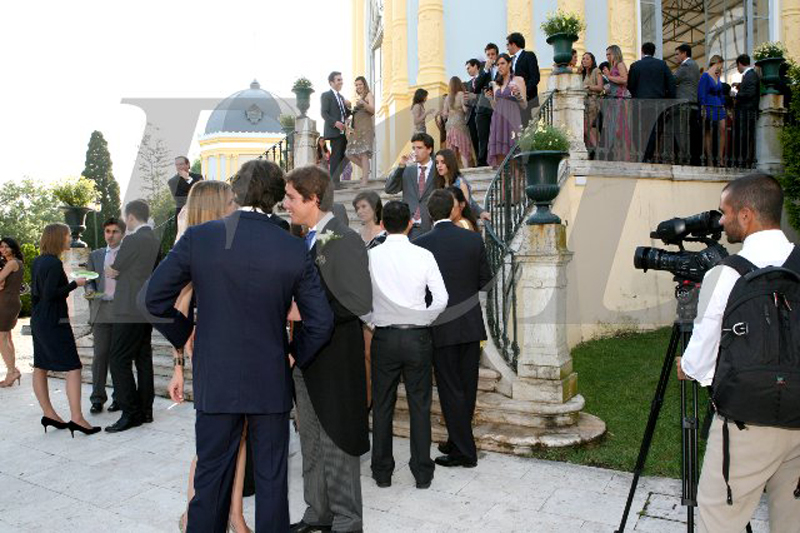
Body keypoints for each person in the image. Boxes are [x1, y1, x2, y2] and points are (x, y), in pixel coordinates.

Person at [677, 173, 800, 533]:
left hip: (746, 424)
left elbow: (700, 361)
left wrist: (686, 366)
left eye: (725, 212)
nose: (721, 221)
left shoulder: (725, 275)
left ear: (746, 215)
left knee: (720, 520)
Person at [283, 165, 372, 533]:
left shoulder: (344, 239)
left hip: (335, 357)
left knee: (337, 439)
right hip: (305, 357)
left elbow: (358, 301)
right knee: (310, 440)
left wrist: (307, 311)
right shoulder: (304, 240)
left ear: (313, 198)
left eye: (291, 197)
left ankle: (347, 521)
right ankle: (317, 512)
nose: (285, 204)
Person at [168, 179, 253, 533]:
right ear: (216, 207)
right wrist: (178, 366)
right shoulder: (193, 249)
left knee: (240, 436)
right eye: (231, 202)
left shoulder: (225, 244)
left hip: (236, 352)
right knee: (212, 445)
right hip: (213, 356)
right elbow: (177, 309)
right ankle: (195, 515)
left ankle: (235, 515)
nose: (236, 207)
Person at [367, 200, 448, 490]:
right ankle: (422, 473)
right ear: (410, 224)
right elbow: (442, 299)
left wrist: (373, 321)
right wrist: (422, 319)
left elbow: (358, 298)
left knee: (382, 406)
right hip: (417, 337)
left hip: (385, 336)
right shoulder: (423, 255)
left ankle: (382, 472)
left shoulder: (371, 255)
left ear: (382, 224)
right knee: (420, 405)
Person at [415, 190, 492, 468]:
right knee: (467, 388)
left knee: (450, 389)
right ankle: (457, 440)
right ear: (452, 209)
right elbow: (486, 282)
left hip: (441, 326)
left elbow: (419, 289)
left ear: (429, 213)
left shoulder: (420, 244)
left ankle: (465, 452)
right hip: (470, 324)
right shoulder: (473, 239)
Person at [30, 224, 99, 436]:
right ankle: (77, 418)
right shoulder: (53, 263)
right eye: (68, 236)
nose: (70, 239)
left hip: (39, 319)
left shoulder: (38, 261)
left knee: (40, 365)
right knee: (73, 367)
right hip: (54, 321)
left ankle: (49, 413)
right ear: (58, 238)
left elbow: (38, 294)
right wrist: (75, 284)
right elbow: (51, 294)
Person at [105, 200, 160, 433]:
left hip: (127, 307)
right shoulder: (155, 240)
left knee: (118, 359)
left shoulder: (132, 240)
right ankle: (146, 410)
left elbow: (115, 269)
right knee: (143, 357)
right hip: (145, 306)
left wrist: (113, 271)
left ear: (130, 217)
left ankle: (130, 412)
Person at [85, 218, 125, 413]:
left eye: (115, 231)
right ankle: (97, 398)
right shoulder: (95, 255)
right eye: (107, 231)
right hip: (101, 310)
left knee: (118, 357)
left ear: (122, 234)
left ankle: (119, 397)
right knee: (100, 355)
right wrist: (90, 290)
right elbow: (89, 280)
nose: (110, 235)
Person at [352, 190, 386, 409]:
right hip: (358, 298)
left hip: (379, 299)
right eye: (357, 208)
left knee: (373, 353)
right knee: (363, 354)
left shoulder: (385, 236)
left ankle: (378, 396)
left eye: (364, 206)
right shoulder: (355, 235)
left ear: (375, 207)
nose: (360, 211)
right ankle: (366, 399)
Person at [628, 42, 676, 162]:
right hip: (657, 103)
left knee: (637, 129)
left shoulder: (635, 65)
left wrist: (636, 95)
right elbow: (671, 84)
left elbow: (630, 85)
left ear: (642, 51)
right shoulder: (662, 65)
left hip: (639, 103)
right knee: (654, 130)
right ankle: (647, 155)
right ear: (654, 52)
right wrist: (668, 99)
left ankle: (640, 152)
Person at [385, 132, 438, 239]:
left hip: (431, 226)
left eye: (419, 148)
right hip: (408, 228)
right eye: (413, 148)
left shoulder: (438, 170)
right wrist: (401, 166)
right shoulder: (407, 170)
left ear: (429, 149)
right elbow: (390, 189)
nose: (415, 151)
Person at [487, 53, 526, 168]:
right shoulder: (495, 84)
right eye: (498, 64)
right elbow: (495, 106)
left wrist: (518, 95)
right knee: (500, 154)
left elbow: (524, 105)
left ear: (509, 64)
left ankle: (516, 179)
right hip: (497, 119)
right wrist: (490, 99)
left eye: (502, 63)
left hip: (512, 117)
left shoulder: (518, 80)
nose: (500, 66)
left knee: (513, 153)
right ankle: (503, 180)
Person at [433, 148, 487, 222]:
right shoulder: (439, 182)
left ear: (450, 163)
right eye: (437, 163)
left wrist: (481, 212)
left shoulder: (460, 183)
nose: (439, 165)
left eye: (443, 162)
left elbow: (466, 206)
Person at [600, 45, 632, 161]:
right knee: (615, 130)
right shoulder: (613, 66)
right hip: (614, 100)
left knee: (621, 129)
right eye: (606, 54)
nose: (607, 56)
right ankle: (619, 157)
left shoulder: (620, 64)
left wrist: (608, 76)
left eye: (609, 54)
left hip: (620, 99)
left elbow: (624, 79)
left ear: (615, 53)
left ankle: (626, 157)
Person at [321, 71, 351, 189]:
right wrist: (335, 123)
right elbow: (324, 113)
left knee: (344, 156)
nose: (341, 82)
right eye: (338, 80)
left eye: (341, 80)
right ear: (331, 82)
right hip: (334, 131)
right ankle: (334, 183)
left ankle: (335, 180)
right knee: (336, 156)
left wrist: (348, 106)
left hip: (344, 132)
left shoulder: (342, 97)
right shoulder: (326, 95)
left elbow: (346, 114)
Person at [0, 237, 24, 387]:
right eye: (1, 247)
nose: (3, 249)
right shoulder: (14, 263)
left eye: (7, 247)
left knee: (1, 339)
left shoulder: (12, 263)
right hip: (9, 302)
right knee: (7, 338)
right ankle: (13, 370)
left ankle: (11, 372)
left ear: (13, 248)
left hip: (6, 303)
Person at [672, 44, 700, 164]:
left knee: (682, 132)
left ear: (684, 53)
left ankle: (684, 158)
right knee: (689, 133)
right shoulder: (694, 65)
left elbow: (673, 80)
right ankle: (689, 158)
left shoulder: (686, 65)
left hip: (684, 104)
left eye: (677, 54)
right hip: (692, 103)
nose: (675, 57)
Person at [345, 76, 375, 187]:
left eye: (360, 84)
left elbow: (373, 110)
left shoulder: (369, 95)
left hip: (366, 128)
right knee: (349, 153)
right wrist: (349, 120)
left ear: (364, 84)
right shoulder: (358, 97)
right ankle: (366, 169)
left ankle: (364, 181)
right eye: (356, 85)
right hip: (357, 129)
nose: (358, 86)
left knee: (363, 153)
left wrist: (364, 103)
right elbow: (359, 113)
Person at [698, 55, 727, 166]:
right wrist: (703, 107)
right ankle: (709, 159)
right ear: (717, 63)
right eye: (721, 65)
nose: (722, 67)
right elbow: (701, 93)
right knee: (708, 132)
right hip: (709, 105)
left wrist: (723, 104)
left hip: (718, 105)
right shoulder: (705, 76)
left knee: (722, 129)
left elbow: (720, 93)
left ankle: (720, 157)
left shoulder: (717, 76)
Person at [506, 32, 540, 124]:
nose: (507, 48)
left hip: (527, 100)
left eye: (508, 45)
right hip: (512, 102)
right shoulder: (510, 61)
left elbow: (535, 78)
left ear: (513, 44)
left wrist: (522, 92)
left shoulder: (529, 55)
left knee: (525, 127)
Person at [442, 76, 475, 169]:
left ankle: (453, 171)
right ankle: (466, 169)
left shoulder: (447, 97)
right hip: (459, 124)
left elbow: (445, 113)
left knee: (452, 151)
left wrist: (451, 111)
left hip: (449, 126)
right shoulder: (461, 94)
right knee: (463, 148)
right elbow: (465, 109)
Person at [733, 54, 760, 167]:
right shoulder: (750, 75)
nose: (737, 68)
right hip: (746, 112)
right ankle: (743, 160)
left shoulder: (751, 75)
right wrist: (740, 86)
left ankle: (743, 161)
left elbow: (750, 93)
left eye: (737, 66)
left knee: (744, 137)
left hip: (747, 112)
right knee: (744, 137)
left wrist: (736, 94)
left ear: (740, 64)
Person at [475, 44, 499, 166]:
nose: (490, 57)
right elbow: (476, 87)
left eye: (492, 54)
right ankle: (482, 163)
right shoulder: (483, 68)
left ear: (497, 55)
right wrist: (485, 70)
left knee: (496, 136)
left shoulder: (502, 66)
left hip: (498, 107)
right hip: (484, 108)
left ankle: (496, 161)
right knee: (483, 137)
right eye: (488, 55)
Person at [580, 52, 603, 150]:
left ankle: (597, 148)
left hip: (593, 102)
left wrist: (589, 87)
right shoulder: (584, 74)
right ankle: (590, 150)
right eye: (583, 58)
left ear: (592, 61)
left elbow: (600, 87)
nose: (584, 60)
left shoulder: (596, 71)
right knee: (584, 129)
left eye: (587, 59)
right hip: (584, 103)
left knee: (586, 127)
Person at [464, 59, 484, 162]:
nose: (467, 71)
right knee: (474, 139)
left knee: (483, 137)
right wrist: (466, 100)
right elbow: (467, 99)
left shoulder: (484, 78)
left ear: (475, 66)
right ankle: (479, 161)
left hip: (483, 112)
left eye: (469, 68)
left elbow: (486, 95)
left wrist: (475, 97)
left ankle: (485, 160)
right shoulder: (467, 84)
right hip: (471, 114)